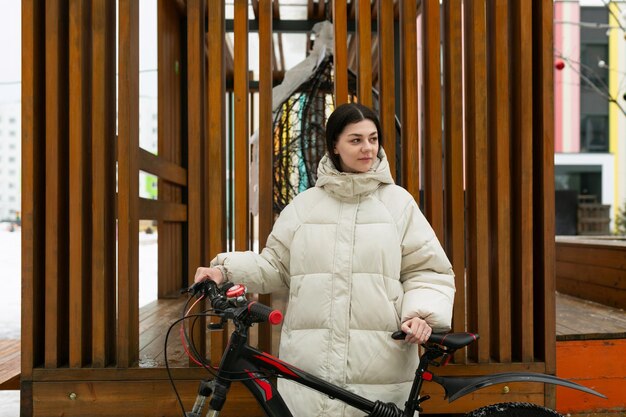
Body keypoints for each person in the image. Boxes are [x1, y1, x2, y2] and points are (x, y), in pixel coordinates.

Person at [195, 103, 456, 417]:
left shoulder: (398, 204)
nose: (368, 148)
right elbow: (275, 265)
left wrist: (421, 314)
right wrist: (224, 270)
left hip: (379, 359)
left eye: (373, 139)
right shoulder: (304, 206)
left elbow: (427, 269)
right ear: (335, 145)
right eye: (356, 140)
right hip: (311, 362)